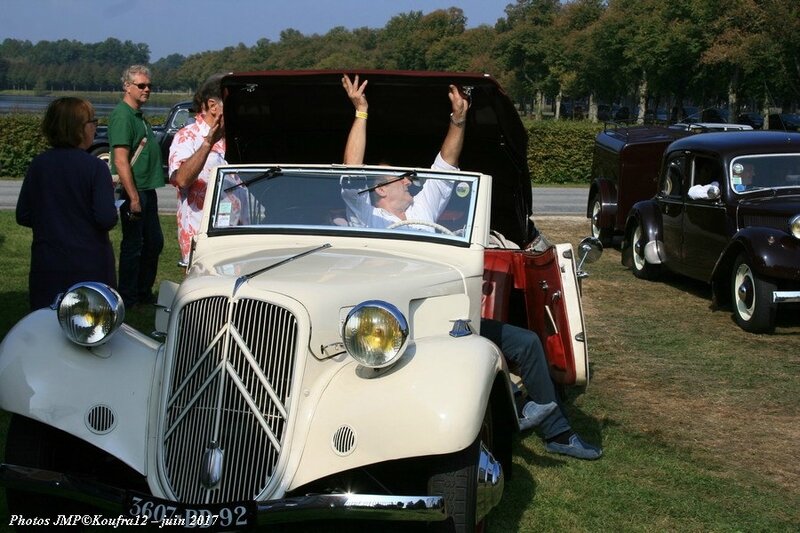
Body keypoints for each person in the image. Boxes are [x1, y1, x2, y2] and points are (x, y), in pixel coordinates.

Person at [341, 74, 601, 460]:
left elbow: (446, 161)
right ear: (379, 188)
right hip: (391, 320)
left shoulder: (420, 209)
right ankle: (499, 412)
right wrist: (361, 113)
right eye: (402, 177)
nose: (412, 181)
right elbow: (352, 167)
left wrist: (458, 120)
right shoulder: (365, 216)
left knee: (526, 343)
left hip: (444, 311)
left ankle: (557, 432)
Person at [16, 97, 118, 310]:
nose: (95, 129)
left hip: (48, 262)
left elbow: (23, 214)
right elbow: (106, 218)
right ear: (80, 128)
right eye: (93, 123)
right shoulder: (95, 168)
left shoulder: (39, 165)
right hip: (89, 263)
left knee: (46, 327)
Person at [109, 65, 164, 307]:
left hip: (146, 189)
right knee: (134, 246)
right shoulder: (123, 116)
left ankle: (142, 292)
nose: (147, 89)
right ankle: (129, 296)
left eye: (149, 85)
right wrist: (133, 198)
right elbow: (121, 160)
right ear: (127, 87)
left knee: (153, 242)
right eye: (141, 85)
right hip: (136, 190)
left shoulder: (137, 115)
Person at [168, 73, 227, 267]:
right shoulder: (187, 137)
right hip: (203, 242)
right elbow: (181, 180)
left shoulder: (236, 138)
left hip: (236, 239)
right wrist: (208, 144)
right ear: (212, 106)